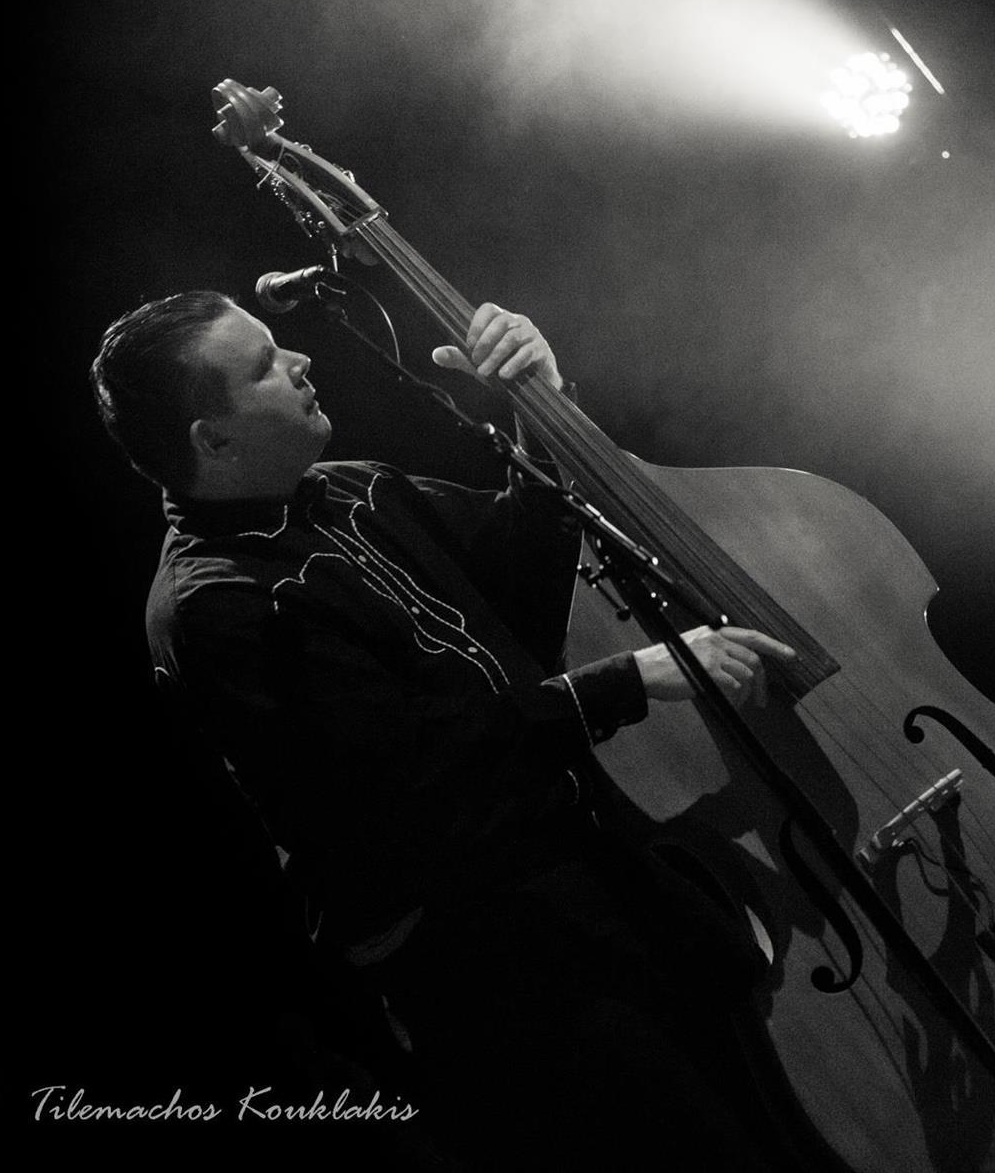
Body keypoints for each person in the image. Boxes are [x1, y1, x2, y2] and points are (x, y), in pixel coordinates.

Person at [89, 289, 823, 1170]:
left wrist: (541, 408)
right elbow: (421, 772)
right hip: (511, 981)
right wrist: (629, 679)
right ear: (213, 439)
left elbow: (524, 577)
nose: (302, 362)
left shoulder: (349, 490)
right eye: (264, 367)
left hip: (613, 896)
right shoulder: (217, 606)